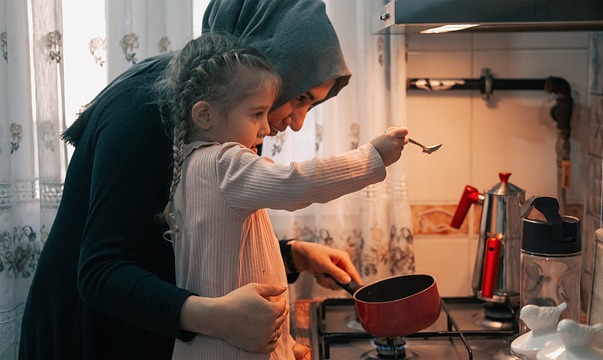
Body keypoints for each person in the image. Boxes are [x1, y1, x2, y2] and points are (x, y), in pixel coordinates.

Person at [18, 0, 374, 359]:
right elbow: (101, 273)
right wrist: (221, 320)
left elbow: (191, 235)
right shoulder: (146, 109)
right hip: (87, 336)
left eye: (311, 107)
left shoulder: (230, 114)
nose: (297, 122)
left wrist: (293, 255)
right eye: (300, 97)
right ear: (268, 57)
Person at [158, 33, 407, 359]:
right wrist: (372, 156)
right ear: (205, 115)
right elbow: (295, 183)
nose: (265, 128)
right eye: (256, 114)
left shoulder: (191, 166)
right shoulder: (223, 163)